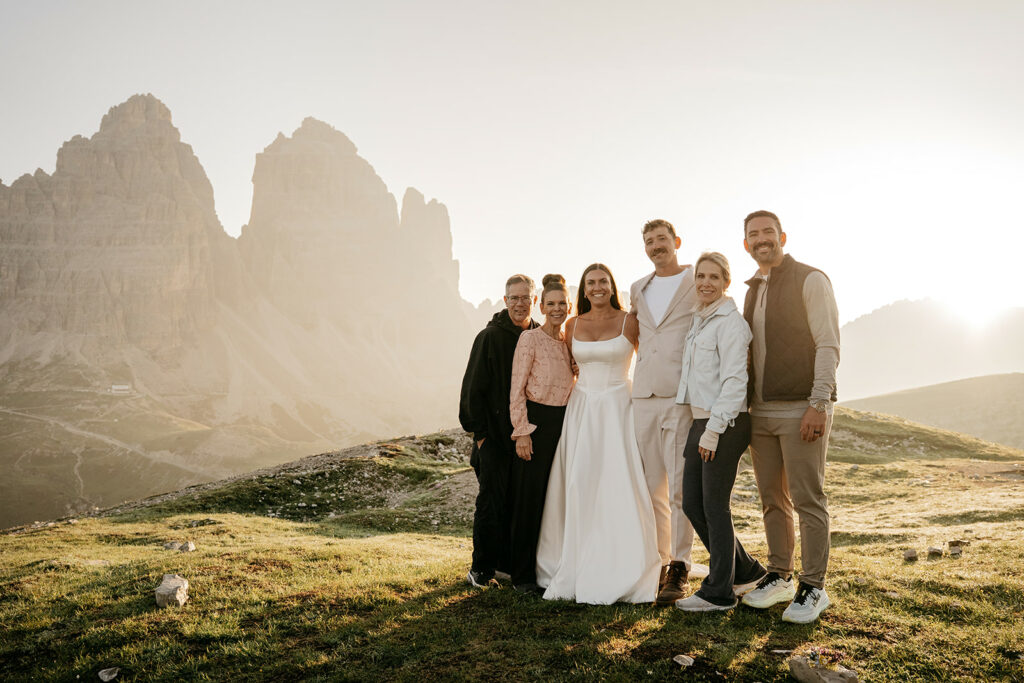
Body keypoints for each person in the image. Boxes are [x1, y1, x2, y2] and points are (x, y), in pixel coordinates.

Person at [536, 264, 661, 604]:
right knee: (580, 481)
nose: (597, 287)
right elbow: (566, 366)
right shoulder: (573, 325)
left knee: (619, 481)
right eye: (591, 282)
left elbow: (651, 358)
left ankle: (625, 562)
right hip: (582, 409)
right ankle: (573, 558)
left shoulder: (629, 321)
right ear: (584, 289)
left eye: (602, 281)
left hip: (619, 407)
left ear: (611, 285)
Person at [738, 210, 840, 624]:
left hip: (801, 407)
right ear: (746, 244)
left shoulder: (810, 279)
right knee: (771, 501)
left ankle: (814, 586)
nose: (762, 239)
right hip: (760, 412)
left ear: (782, 236)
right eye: (753, 235)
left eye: (768, 232)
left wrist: (819, 403)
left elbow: (828, 343)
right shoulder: (752, 289)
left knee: (807, 500)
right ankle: (780, 575)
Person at [673, 252, 767, 612]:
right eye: (701, 276)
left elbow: (734, 381)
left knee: (714, 506)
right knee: (693, 503)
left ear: (726, 281)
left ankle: (719, 593)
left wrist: (713, 430)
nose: (706, 282)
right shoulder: (701, 318)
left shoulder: (730, 322)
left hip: (724, 422)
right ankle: (745, 571)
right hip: (703, 420)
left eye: (714, 276)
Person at [629, 218, 708, 606]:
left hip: (680, 397)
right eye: (649, 241)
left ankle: (680, 564)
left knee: (679, 486)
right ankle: (657, 562)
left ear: (676, 241)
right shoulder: (637, 288)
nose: (656, 246)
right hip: (642, 396)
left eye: (662, 239)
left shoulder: (697, 282)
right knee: (650, 485)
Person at [459, 274, 538, 588]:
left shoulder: (540, 335)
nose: (520, 304)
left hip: (527, 437)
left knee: (520, 504)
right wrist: (481, 437)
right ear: (505, 301)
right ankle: (481, 569)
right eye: (514, 298)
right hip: (493, 438)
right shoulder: (489, 337)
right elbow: (472, 390)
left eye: (525, 298)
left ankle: (509, 566)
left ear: (534, 301)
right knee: (491, 503)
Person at [507, 274, 575, 595]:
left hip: (565, 426)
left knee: (554, 500)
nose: (557, 308)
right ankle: (521, 577)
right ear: (542, 306)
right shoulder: (529, 340)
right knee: (529, 500)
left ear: (569, 306)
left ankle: (549, 566)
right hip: (535, 424)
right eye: (551, 304)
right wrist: (522, 431)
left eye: (563, 303)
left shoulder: (569, 343)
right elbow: (516, 389)